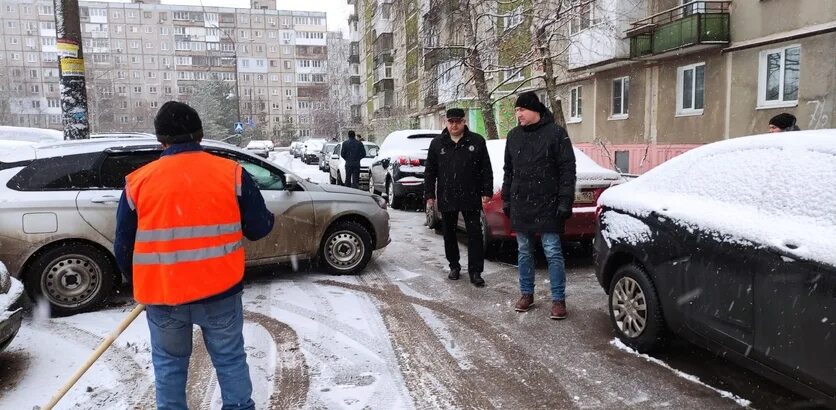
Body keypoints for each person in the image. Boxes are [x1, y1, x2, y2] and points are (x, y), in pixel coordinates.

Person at [114, 101, 275, 410]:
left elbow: (123, 246)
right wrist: (266, 220)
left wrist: (141, 284)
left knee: (170, 368)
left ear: (160, 140)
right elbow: (258, 228)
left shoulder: (138, 183)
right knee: (230, 361)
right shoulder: (232, 174)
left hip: (164, 297)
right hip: (220, 293)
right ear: (200, 135)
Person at [502, 92, 576, 320]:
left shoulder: (556, 134)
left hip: (549, 203)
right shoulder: (513, 136)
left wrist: (565, 201)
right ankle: (526, 294)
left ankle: (558, 300)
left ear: (535, 110)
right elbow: (509, 171)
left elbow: (567, 170)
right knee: (524, 251)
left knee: (552, 251)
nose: (518, 114)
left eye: (521, 110)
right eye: (516, 110)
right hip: (522, 202)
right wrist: (506, 198)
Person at [424, 108, 493, 287]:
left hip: (470, 195)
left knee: (474, 234)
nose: (454, 125)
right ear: (446, 123)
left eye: (458, 121)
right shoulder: (437, 143)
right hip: (447, 196)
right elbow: (430, 172)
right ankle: (454, 265)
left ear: (464, 122)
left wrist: (487, 191)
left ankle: (475, 271)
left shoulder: (476, 141)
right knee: (449, 233)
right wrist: (429, 194)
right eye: (451, 121)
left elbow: (486, 168)